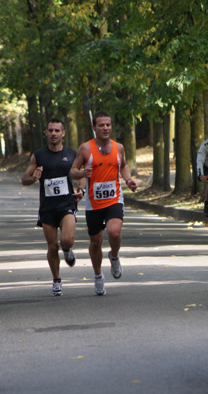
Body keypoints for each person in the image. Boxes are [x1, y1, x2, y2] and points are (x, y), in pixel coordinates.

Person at [70, 110, 137, 296]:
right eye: (101, 125)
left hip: (114, 198)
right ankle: (98, 276)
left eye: (108, 124)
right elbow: (73, 170)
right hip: (93, 203)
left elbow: (122, 165)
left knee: (114, 232)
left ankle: (114, 257)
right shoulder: (85, 148)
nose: (105, 128)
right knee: (95, 242)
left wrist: (128, 179)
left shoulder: (119, 147)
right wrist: (82, 174)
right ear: (94, 127)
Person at [21, 118, 83, 297]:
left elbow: (81, 174)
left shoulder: (72, 154)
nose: (54, 133)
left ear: (63, 133)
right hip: (47, 208)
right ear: (46, 133)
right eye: (51, 130)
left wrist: (82, 189)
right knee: (52, 246)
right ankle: (56, 280)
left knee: (67, 241)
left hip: (67, 205)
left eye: (57, 130)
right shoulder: (38, 155)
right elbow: (24, 179)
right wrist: (34, 178)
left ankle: (68, 250)